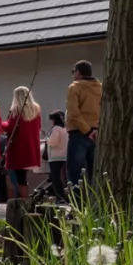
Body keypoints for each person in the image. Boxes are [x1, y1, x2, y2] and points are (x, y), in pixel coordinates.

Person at [66, 60, 102, 190]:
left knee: (75, 173)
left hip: (79, 133)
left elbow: (74, 113)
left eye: (73, 72)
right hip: (97, 133)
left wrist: (86, 131)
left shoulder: (75, 87)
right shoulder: (100, 87)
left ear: (78, 72)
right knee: (95, 172)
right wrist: (95, 129)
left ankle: (78, 206)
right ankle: (95, 204)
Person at [3, 85, 43, 202]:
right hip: (30, 146)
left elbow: (10, 127)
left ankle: (20, 200)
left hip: (18, 147)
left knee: (16, 176)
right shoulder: (36, 109)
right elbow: (39, 127)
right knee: (23, 176)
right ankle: (25, 200)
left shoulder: (16, 110)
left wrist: (1, 123)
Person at [45, 110, 69, 200]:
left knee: (56, 178)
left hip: (55, 157)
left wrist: (47, 138)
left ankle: (59, 197)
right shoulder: (65, 129)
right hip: (64, 155)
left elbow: (53, 142)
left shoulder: (56, 129)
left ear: (53, 119)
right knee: (64, 178)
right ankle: (65, 197)